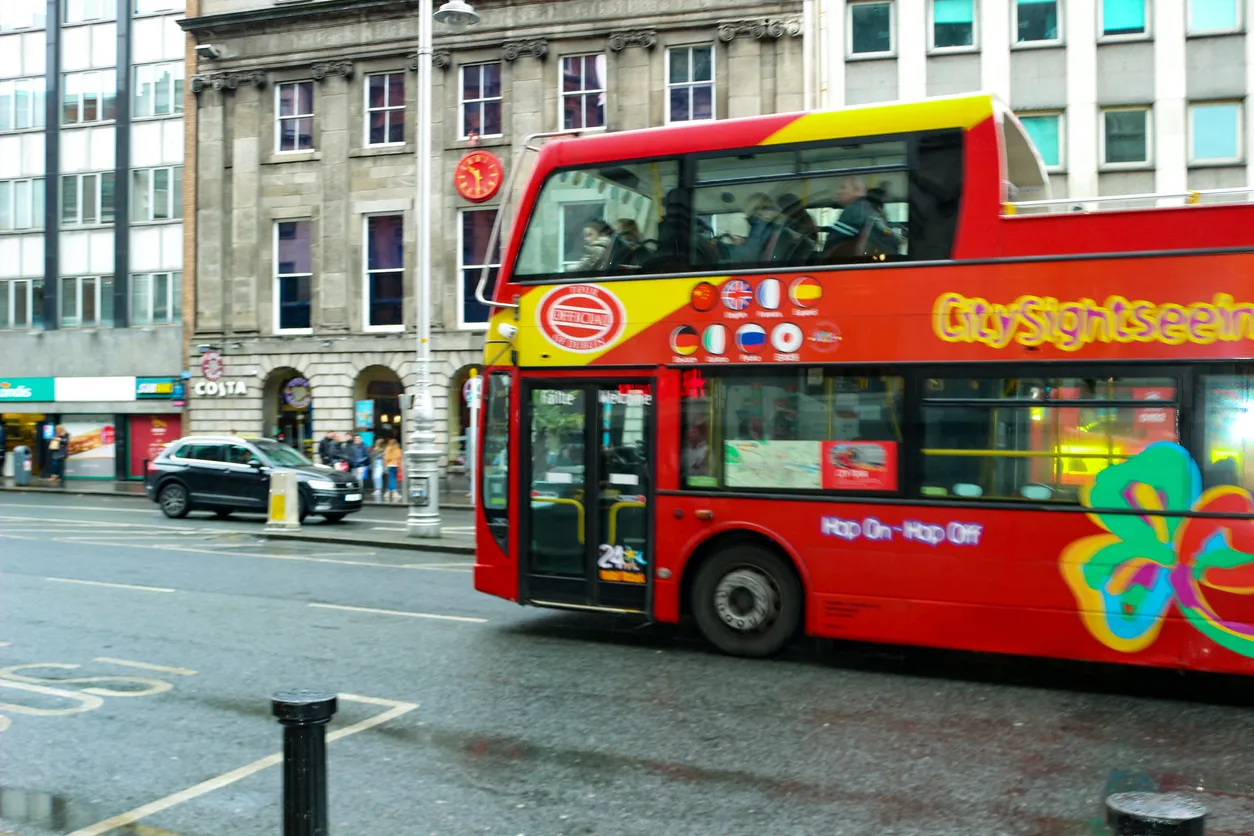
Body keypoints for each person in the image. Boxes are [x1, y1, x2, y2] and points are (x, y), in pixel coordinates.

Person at [384, 438, 403, 502]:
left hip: (389, 465)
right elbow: (399, 459)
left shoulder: (387, 449)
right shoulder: (398, 450)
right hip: (395, 465)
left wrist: (385, 466)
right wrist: (400, 467)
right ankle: (395, 492)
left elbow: (386, 458)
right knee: (393, 479)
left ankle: (387, 492)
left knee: (391, 478)